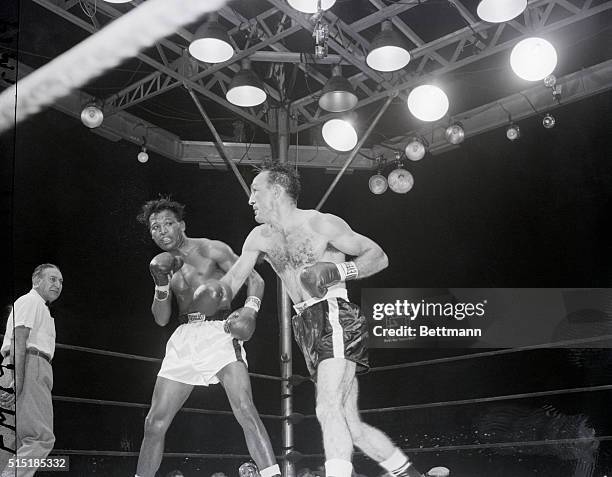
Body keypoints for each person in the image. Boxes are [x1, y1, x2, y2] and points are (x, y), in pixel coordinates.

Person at [221, 164, 448, 477]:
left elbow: (378, 256)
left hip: (334, 314)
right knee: (349, 423)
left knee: (326, 406)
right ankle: (409, 474)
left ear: (276, 191)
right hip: (305, 325)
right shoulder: (258, 237)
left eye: (256, 190)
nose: (250, 199)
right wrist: (216, 299)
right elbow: (233, 280)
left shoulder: (320, 223)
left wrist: (339, 271)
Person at [135, 198, 280, 477]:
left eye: (167, 223)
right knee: (154, 423)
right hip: (184, 336)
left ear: (182, 225)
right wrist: (160, 283)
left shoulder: (211, 249)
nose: (162, 231)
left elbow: (256, 280)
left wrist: (250, 311)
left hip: (220, 332)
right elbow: (162, 318)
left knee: (245, 409)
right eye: (155, 227)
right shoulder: (163, 265)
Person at [0, 263, 63, 477]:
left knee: (8, 444)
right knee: (40, 438)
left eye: (60, 281)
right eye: (52, 279)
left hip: (15, 366)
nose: (58, 284)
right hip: (29, 365)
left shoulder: (36, 305)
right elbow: (20, 338)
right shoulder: (30, 301)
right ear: (36, 281)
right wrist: (19, 377)